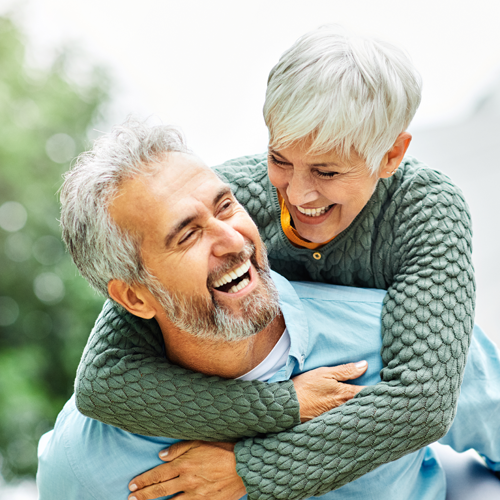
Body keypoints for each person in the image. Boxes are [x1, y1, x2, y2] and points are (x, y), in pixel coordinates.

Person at [74, 25, 475, 499]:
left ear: (391, 155)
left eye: (327, 171)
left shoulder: (428, 212)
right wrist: (283, 405)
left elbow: (422, 404)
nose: (299, 194)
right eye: (281, 159)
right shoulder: (226, 204)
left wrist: (251, 470)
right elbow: (106, 380)